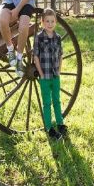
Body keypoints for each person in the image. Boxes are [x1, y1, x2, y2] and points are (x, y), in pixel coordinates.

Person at [33, 8, 67, 140]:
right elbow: (36, 57)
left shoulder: (58, 37)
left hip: (55, 75)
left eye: (52, 21)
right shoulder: (39, 38)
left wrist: (59, 71)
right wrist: (41, 74)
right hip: (45, 77)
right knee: (47, 102)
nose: (50, 24)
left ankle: (60, 123)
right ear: (42, 22)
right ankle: (49, 127)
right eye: (47, 21)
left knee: (57, 100)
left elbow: (60, 55)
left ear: (56, 22)